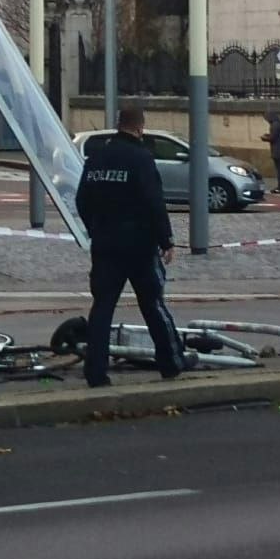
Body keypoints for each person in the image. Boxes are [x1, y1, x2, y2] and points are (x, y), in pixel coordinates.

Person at [76, 107, 188, 386]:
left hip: (105, 244)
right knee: (153, 304)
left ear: (119, 125)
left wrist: (95, 228)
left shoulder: (97, 157)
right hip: (139, 245)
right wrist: (166, 240)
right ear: (140, 128)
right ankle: (171, 363)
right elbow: (153, 201)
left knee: (102, 308)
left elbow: (81, 199)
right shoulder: (141, 157)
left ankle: (95, 372)